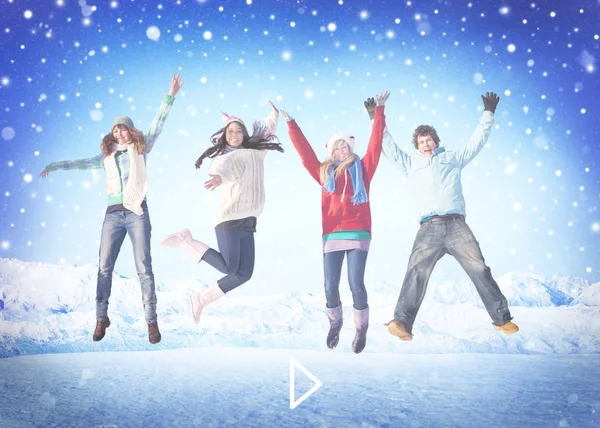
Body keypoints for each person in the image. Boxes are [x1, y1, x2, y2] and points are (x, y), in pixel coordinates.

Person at [40, 74, 184, 344]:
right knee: (104, 267)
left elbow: (158, 123)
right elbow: (80, 163)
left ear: (131, 131)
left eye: (124, 128)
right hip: (112, 215)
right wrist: (53, 166)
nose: (120, 132)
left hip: (137, 213)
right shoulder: (106, 156)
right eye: (116, 129)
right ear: (112, 132)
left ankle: (151, 322)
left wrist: (170, 96)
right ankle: (100, 318)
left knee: (144, 267)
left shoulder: (142, 148)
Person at [363, 92, 519, 341]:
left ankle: (502, 319)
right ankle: (402, 323)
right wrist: (375, 117)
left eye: (429, 140)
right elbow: (387, 146)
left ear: (436, 141)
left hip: (457, 225)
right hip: (429, 228)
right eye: (421, 141)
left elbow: (477, 141)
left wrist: (488, 112)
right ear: (416, 146)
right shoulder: (410, 164)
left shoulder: (453, 159)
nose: (425, 144)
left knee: (479, 268)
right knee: (416, 271)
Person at [280, 91, 389, 354]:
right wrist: (292, 125)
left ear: (351, 149)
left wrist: (379, 113)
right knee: (330, 286)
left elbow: (375, 144)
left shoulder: (363, 169)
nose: (342, 150)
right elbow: (305, 154)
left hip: (359, 233)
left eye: (346, 146)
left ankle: (361, 329)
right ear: (331, 151)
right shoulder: (323, 173)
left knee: (355, 284)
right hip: (331, 235)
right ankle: (335, 323)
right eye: (337, 147)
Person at [160, 102, 283, 325]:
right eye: (230, 132)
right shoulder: (223, 159)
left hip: (248, 221)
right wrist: (220, 178)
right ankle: (184, 241)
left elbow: (267, 129)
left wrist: (273, 114)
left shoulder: (257, 152)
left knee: (243, 274)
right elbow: (225, 172)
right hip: (229, 219)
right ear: (224, 135)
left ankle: (200, 299)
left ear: (245, 135)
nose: (234, 135)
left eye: (238, 131)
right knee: (228, 267)